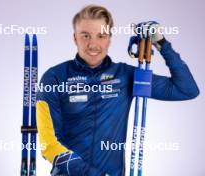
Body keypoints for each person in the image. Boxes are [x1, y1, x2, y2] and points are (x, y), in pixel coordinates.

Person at [36, 5, 199, 176]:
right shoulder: (54, 78)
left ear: (109, 39)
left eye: (101, 36)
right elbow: (48, 145)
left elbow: (187, 89)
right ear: (75, 38)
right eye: (85, 36)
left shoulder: (125, 76)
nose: (93, 44)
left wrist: (161, 43)